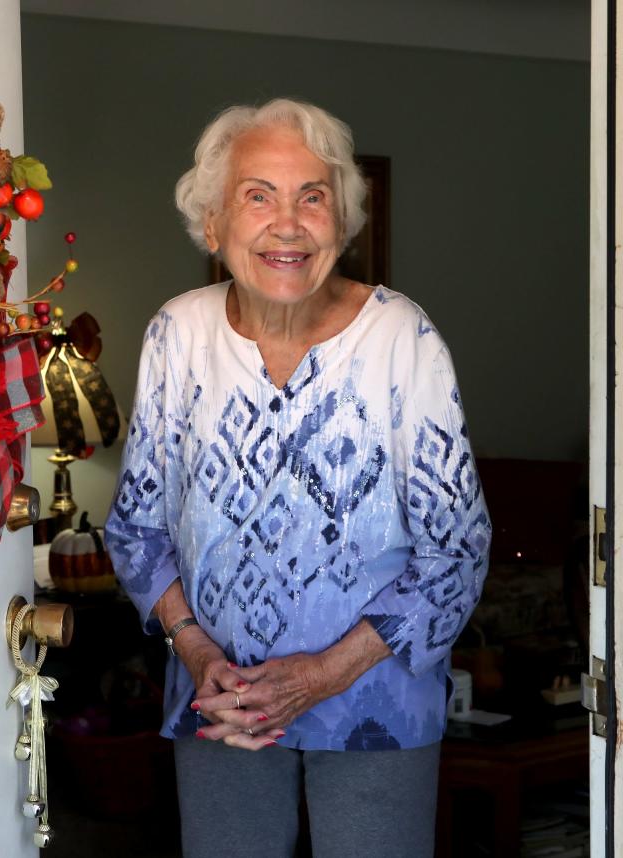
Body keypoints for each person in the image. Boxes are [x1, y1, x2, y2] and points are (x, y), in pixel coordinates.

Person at [103, 98, 491, 858]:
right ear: (213, 226)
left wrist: (322, 673)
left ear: (341, 225)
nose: (288, 224)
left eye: (313, 197)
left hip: (376, 700)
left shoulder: (401, 340)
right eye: (259, 196)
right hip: (222, 703)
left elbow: (456, 553)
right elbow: (138, 527)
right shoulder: (177, 334)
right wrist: (200, 656)